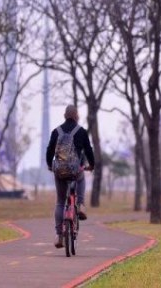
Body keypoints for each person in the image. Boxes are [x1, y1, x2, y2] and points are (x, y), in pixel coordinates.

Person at [46, 104, 95, 248]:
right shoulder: (82, 132)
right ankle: (80, 205)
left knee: (60, 202)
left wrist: (50, 165)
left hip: (59, 171)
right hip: (75, 170)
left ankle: (59, 236)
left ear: (64, 116)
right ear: (76, 116)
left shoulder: (56, 131)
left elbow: (49, 151)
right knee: (81, 177)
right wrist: (91, 165)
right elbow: (88, 150)